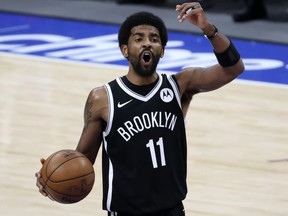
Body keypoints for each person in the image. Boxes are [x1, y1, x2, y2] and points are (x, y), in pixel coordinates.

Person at [35, 1, 245, 216]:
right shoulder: (103, 98)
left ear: (162, 50)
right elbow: (83, 160)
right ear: (125, 50)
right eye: (139, 38)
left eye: (154, 39)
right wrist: (50, 175)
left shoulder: (180, 85)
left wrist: (207, 28)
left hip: (171, 210)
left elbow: (234, 68)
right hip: (125, 212)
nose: (147, 43)